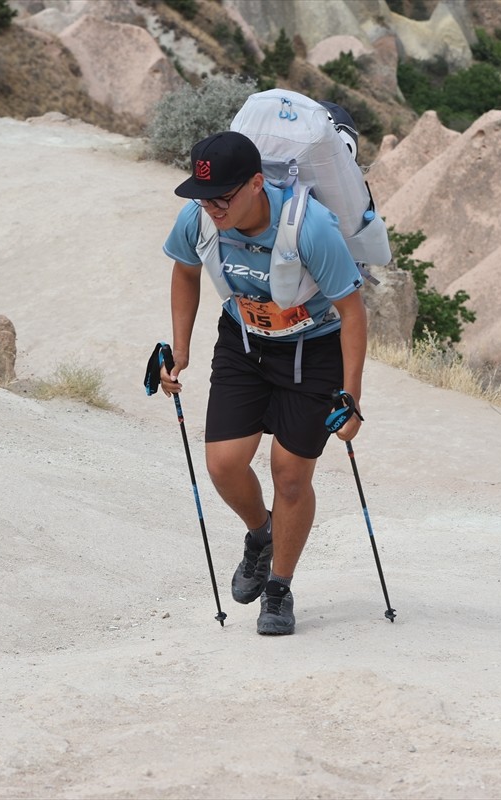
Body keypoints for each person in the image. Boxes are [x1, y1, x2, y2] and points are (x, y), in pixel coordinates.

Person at [161, 131, 367, 636]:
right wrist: (180, 350)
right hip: (244, 342)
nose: (212, 208)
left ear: (257, 184)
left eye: (222, 198)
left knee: (290, 476)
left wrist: (352, 397)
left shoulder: (310, 228)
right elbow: (185, 272)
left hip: (313, 350)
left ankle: (279, 587)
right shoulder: (198, 219)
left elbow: (352, 311)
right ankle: (261, 534)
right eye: (204, 197)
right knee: (223, 464)